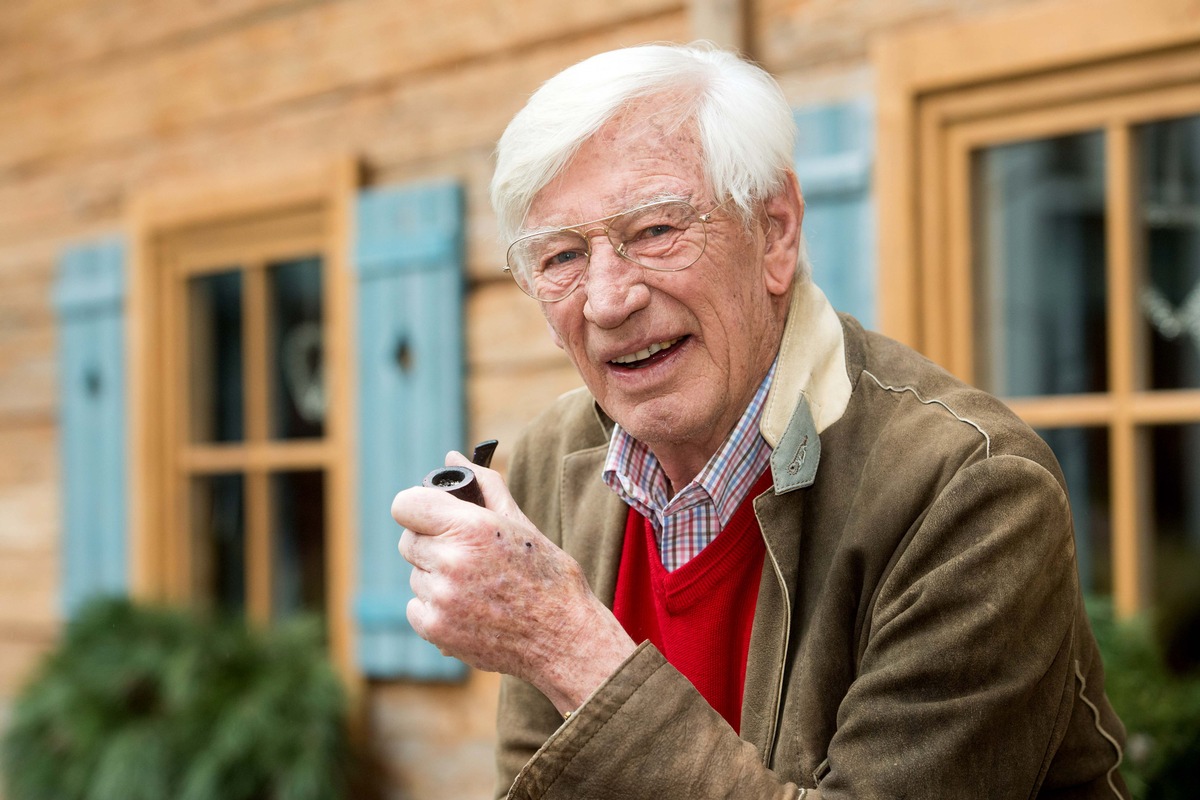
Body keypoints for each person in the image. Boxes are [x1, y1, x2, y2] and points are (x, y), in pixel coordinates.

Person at [391, 42, 1129, 799]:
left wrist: (568, 647)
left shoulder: (972, 493)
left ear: (775, 233)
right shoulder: (553, 457)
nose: (608, 301)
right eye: (561, 258)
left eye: (654, 231)